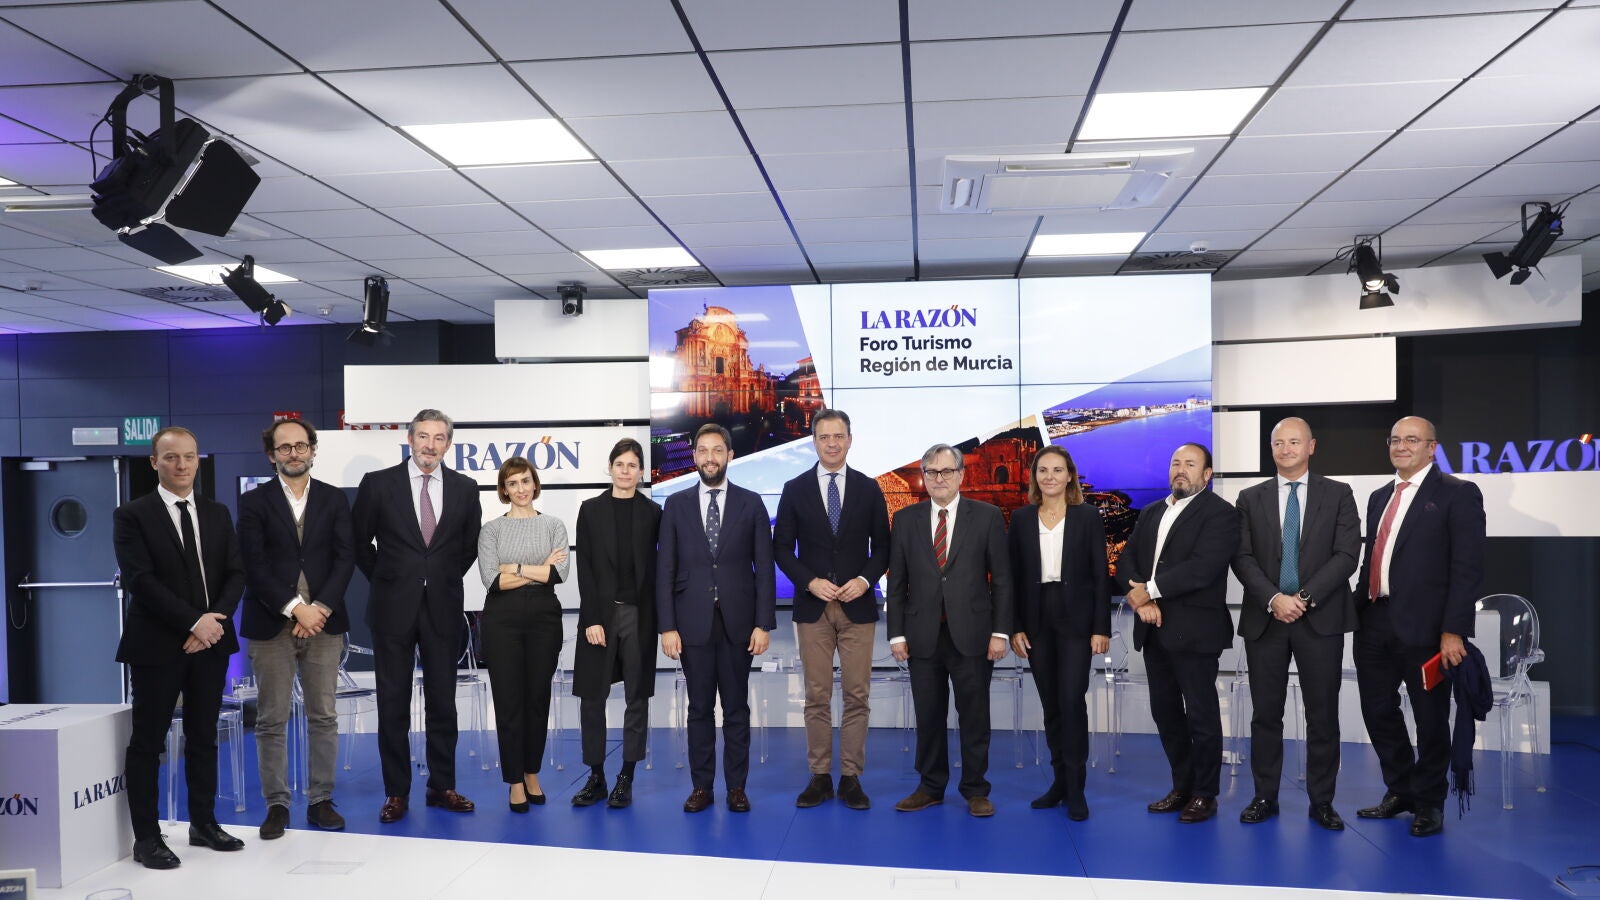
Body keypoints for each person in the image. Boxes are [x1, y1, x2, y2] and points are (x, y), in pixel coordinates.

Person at [113, 426, 246, 869]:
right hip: (156, 646)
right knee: (148, 742)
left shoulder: (217, 512)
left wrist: (212, 622)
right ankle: (147, 838)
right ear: (155, 462)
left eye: (189, 456)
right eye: (171, 457)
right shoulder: (132, 515)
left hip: (211, 642)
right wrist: (193, 622)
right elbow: (141, 581)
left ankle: (203, 824)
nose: (182, 465)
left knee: (204, 736)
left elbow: (235, 572)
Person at [1354, 416, 1485, 837]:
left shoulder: (1458, 493)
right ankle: (1401, 789)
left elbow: (1467, 568)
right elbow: (1372, 558)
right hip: (1374, 620)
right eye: (1395, 439)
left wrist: (1454, 630)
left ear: (1432, 448)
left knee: (1430, 719)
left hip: (1428, 630)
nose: (1401, 446)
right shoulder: (1379, 496)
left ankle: (1429, 801)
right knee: (1377, 710)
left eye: (1412, 439)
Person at [353, 408, 483, 824]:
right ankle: (396, 792)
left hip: (442, 608)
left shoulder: (465, 488)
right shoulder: (378, 484)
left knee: (443, 703)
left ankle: (442, 785)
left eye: (439, 438)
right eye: (423, 436)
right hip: (392, 607)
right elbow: (359, 543)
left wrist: (437, 578)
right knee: (393, 703)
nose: (430, 445)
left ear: (448, 444)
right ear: (410, 439)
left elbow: (468, 547)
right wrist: (390, 579)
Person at [1231, 417, 1359, 831]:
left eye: (1294, 442)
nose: (1285, 449)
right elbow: (1241, 557)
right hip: (1266, 619)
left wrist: (1302, 599)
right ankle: (1264, 796)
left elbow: (1346, 555)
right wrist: (1274, 599)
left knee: (1323, 715)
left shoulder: (1338, 493)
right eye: (1278, 443)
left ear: (1311, 446)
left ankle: (1322, 801)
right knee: (1265, 714)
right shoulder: (1249, 498)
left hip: (1319, 618)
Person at [238, 418, 355, 839]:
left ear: (312, 450)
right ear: (272, 455)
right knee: (271, 718)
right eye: (284, 447)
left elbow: (345, 557)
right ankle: (277, 804)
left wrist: (318, 608)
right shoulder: (253, 502)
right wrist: (295, 609)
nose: (294, 453)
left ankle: (321, 799)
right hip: (272, 623)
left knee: (323, 715)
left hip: (324, 622)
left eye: (301, 446)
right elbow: (254, 564)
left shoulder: (334, 499)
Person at [773, 409, 890, 810]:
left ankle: (851, 778)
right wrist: (809, 581)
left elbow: (884, 548)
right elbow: (781, 548)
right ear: (814, 442)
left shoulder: (869, 488)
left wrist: (865, 580)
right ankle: (820, 776)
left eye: (839, 436)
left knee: (857, 695)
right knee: (817, 696)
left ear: (850, 440)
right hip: (814, 608)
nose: (832, 443)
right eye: (824, 437)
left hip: (858, 607)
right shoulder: (794, 489)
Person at [888, 443, 1013, 818]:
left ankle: (975, 789)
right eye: (931, 472)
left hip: (973, 634)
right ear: (924, 477)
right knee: (928, 716)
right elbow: (897, 582)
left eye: (946, 471)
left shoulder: (987, 516)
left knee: (974, 716)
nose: (938, 478)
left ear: (961, 475)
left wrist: (1000, 632)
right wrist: (896, 634)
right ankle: (930, 787)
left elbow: (1002, 579)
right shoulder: (905, 520)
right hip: (921, 635)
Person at [656, 423, 776, 813]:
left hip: (740, 625)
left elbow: (764, 567)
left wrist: (763, 624)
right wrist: (667, 626)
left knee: (737, 709)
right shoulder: (675, 505)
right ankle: (702, 787)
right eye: (703, 450)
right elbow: (665, 569)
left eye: (717, 450)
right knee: (699, 710)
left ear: (730, 455)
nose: (710, 457)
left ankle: (737, 788)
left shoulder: (751, 503)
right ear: (694, 456)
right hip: (692, 624)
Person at [1118, 442, 1239, 824]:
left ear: (1207, 474)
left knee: (1202, 716)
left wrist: (1149, 590)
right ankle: (1182, 786)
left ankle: (1205, 794)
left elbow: (1202, 568)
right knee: (1166, 714)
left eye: (1190, 464)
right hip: (1154, 629)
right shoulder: (1152, 511)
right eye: (1175, 463)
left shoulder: (1221, 514)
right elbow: (1127, 560)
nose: (1180, 470)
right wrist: (1140, 600)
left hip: (1196, 631)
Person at [1008, 446, 1110, 821]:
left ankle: (1077, 787)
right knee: (1051, 704)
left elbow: (1101, 576)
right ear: (1035, 476)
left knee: (1071, 700)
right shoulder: (1021, 518)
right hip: (1036, 621)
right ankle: (1059, 784)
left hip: (1077, 622)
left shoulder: (1087, 516)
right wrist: (1015, 626)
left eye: (1057, 470)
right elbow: (1012, 577)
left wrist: (1101, 627)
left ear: (1069, 476)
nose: (1049, 476)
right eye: (1043, 470)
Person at [571, 438, 662, 809]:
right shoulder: (590, 510)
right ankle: (596, 776)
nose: (626, 471)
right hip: (600, 616)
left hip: (639, 616)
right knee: (592, 697)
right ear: (610, 468)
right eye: (620, 464)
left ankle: (627, 776)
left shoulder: (654, 513)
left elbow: (660, 569)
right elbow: (585, 567)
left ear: (641, 472)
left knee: (636, 697)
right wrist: (592, 618)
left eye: (632, 465)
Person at [476, 457, 569, 812]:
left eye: (525, 481)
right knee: (509, 701)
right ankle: (514, 781)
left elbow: (559, 574)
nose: (520, 489)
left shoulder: (554, 525)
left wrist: (513, 567)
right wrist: (538, 568)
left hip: (545, 618)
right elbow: (492, 580)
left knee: (537, 699)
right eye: (512, 483)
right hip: (502, 620)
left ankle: (532, 773)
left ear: (535, 483)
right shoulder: (491, 530)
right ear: (504, 489)